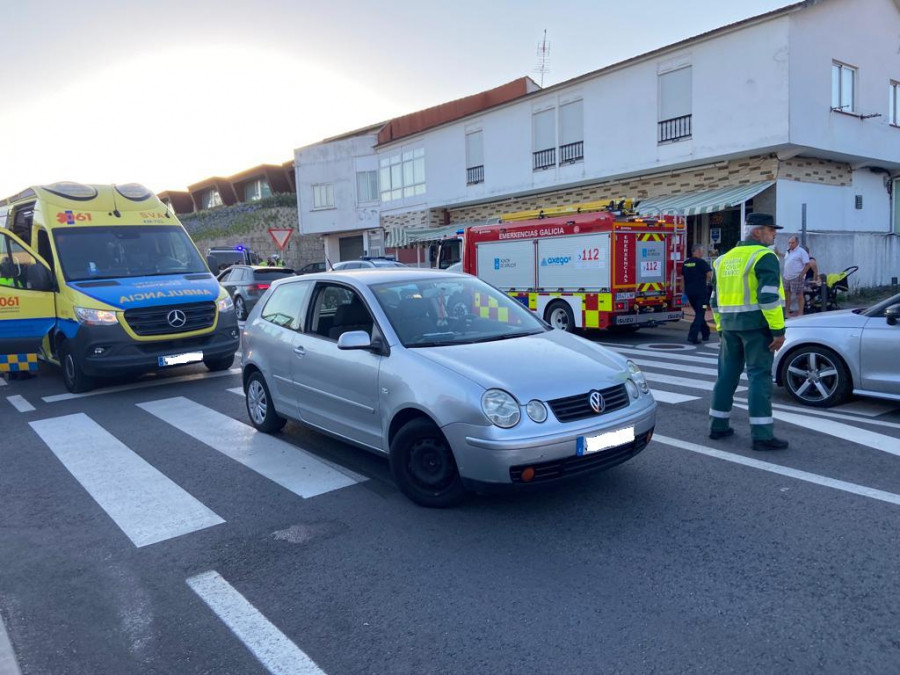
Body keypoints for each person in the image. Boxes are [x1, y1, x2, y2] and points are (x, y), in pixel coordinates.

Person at [709, 212, 788, 451]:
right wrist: (778, 330)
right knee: (759, 378)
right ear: (757, 232)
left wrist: (721, 327)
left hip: (730, 327)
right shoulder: (764, 256)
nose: (775, 234)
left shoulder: (722, 260)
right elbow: (769, 297)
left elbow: (714, 299)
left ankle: (718, 427)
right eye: (771, 229)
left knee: (726, 377)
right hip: (757, 328)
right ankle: (762, 436)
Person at [681, 244, 712, 344]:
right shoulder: (701, 262)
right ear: (697, 251)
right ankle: (692, 335)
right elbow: (709, 275)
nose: (702, 253)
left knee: (699, 312)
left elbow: (682, 279)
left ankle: (706, 333)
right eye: (702, 251)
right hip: (701, 293)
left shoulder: (686, 263)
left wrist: (683, 292)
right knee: (700, 313)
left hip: (690, 293)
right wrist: (706, 283)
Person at [782, 235, 810, 316]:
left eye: (792, 243)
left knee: (799, 296)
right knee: (787, 295)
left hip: (796, 277)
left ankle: (800, 313)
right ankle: (787, 313)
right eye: (789, 243)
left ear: (797, 243)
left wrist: (801, 275)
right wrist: (778, 253)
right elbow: (786, 258)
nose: (790, 244)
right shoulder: (788, 251)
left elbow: (807, 264)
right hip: (787, 277)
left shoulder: (801, 252)